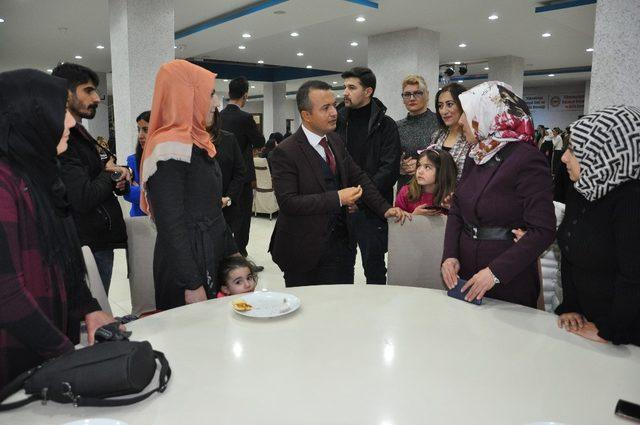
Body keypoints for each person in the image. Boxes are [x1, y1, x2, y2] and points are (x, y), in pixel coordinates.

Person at [0, 69, 119, 388]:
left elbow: (64, 258)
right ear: (29, 119)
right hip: (17, 359)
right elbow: (7, 295)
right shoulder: (3, 183)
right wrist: (66, 355)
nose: (70, 122)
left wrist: (89, 308)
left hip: (50, 345)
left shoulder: (41, 174)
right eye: (61, 112)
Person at [269, 80, 410, 287]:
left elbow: (359, 177)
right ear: (306, 115)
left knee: (341, 309)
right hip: (304, 252)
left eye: (334, 105)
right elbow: (289, 202)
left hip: (341, 247)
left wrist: (385, 209)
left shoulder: (334, 140)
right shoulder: (285, 152)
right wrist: (338, 198)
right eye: (325, 108)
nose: (334, 112)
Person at [441, 81, 556, 307]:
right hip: (466, 274)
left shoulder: (527, 158)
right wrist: (450, 255)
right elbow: (457, 209)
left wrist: (494, 272)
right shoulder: (478, 154)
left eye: (466, 112)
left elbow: (543, 230)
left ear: (487, 113)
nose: (461, 120)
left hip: (508, 280)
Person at [140, 59, 239, 310]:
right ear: (184, 95)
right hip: (186, 269)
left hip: (210, 253)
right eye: (211, 94)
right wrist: (192, 284)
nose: (217, 104)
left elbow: (212, 210)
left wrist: (234, 254)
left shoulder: (197, 142)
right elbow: (170, 225)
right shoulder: (168, 150)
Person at [555, 106, 640, 345]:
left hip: (623, 335)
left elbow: (633, 277)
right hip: (584, 322)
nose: (563, 158)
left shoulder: (631, 201)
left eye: (572, 150)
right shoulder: (582, 189)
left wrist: (609, 329)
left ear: (604, 151)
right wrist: (570, 306)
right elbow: (569, 252)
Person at [53, 63, 129, 294]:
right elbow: (83, 196)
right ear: (66, 94)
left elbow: (95, 177)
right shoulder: (65, 139)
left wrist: (116, 177)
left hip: (98, 238)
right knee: (91, 313)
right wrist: (108, 174)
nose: (97, 98)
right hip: (85, 243)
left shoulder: (80, 134)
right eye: (88, 90)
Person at [336, 67, 401, 285]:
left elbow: (389, 169)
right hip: (340, 207)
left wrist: (360, 197)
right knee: (340, 266)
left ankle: (377, 316)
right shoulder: (336, 121)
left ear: (368, 91)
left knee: (374, 269)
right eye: (345, 87)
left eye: (352, 87)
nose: (345, 92)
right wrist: (343, 197)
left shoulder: (386, 125)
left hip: (373, 210)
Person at [220, 76, 266, 259]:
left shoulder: (219, 116)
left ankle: (223, 254)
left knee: (224, 217)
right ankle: (240, 257)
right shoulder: (245, 118)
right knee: (243, 218)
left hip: (222, 176)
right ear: (245, 96)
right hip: (243, 177)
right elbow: (259, 141)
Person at [396, 74, 440, 187]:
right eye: (407, 94)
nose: (412, 98)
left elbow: (449, 158)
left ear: (427, 95)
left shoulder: (440, 123)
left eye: (417, 93)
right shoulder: (396, 127)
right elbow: (387, 161)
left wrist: (421, 165)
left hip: (434, 189)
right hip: (406, 189)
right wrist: (399, 166)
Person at [395, 147, 457, 215]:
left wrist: (453, 211)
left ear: (442, 172)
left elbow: (463, 222)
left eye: (427, 167)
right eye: (418, 165)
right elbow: (396, 222)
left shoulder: (452, 198)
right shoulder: (406, 192)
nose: (420, 171)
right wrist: (415, 216)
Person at [430, 83, 472, 180]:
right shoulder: (437, 135)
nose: (444, 111)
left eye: (449, 104)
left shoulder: (472, 138)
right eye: (440, 106)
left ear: (463, 105)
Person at [214, 127, 247, 232]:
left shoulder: (228, 139)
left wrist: (229, 197)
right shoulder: (188, 139)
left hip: (225, 208)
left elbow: (240, 171)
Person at [123, 110, 150, 217]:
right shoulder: (133, 160)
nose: (140, 135)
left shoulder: (169, 160)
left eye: (145, 130)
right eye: (139, 130)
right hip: (140, 222)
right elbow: (127, 193)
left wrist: (140, 189)